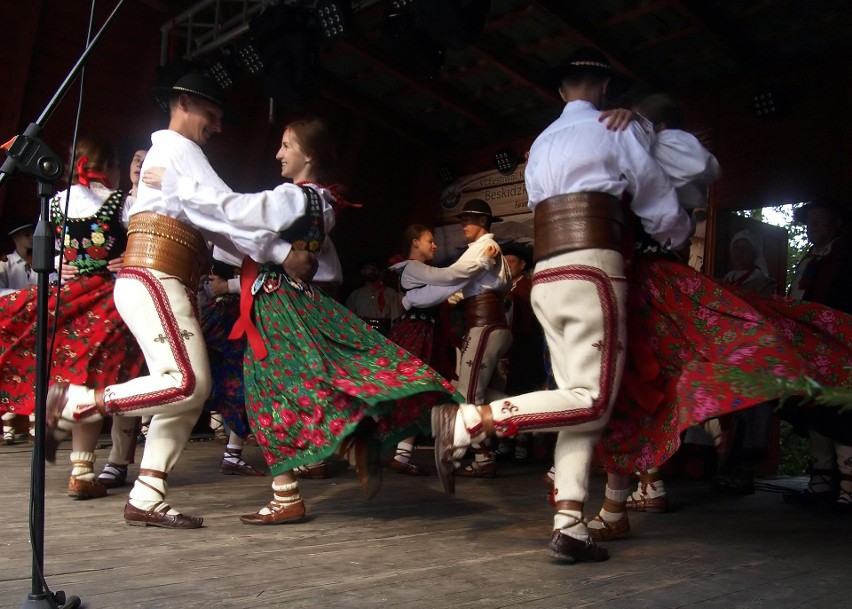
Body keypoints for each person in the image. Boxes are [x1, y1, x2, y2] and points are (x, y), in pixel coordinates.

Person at [430, 47, 693, 563]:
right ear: (606, 88)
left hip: (547, 275)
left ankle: (569, 522)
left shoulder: (542, 141)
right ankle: (470, 421)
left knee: (578, 400)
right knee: (592, 399)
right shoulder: (617, 127)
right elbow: (659, 201)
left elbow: (536, 203)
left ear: (559, 91)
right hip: (593, 267)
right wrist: (675, 235)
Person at [145, 116, 459, 524]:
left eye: (286, 145)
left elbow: (242, 211)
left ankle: (426, 417)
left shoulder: (295, 199)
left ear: (307, 155)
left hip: (279, 306)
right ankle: (333, 461)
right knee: (319, 379)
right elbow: (251, 238)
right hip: (285, 301)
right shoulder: (317, 201)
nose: (279, 153)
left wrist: (177, 185)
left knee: (276, 393)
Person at [43, 73, 321, 528]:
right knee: (187, 382)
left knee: (186, 394)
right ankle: (77, 403)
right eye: (213, 114)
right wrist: (286, 239)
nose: (218, 125)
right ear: (185, 102)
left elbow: (214, 228)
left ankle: (148, 494)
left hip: (160, 277)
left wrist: (271, 253)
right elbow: (224, 208)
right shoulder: (179, 149)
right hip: (156, 274)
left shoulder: (173, 152)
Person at [0, 137, 146, 497]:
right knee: (96, 380)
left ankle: (66, 434)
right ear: (111, 167)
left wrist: (59, 266)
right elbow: (144, 244)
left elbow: (44, 254)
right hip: (108, 298)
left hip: (66, 296)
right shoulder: (123, 202)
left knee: (71, 371)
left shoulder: (55, 202)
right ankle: (82, 469)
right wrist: (125, 259)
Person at [402, 199, 512, 479]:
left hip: (485, 324)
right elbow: (459, 288)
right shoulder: (479, 249)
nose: (463, 224)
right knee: (483, 394)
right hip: (483, 322)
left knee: (468, 393)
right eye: (462, 219)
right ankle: (521, 419)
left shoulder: (486, 247)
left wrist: (413, 290)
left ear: (484, 223)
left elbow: (456, 276)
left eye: (470, 219)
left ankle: (480, 455)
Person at [386, 224, 482, 475]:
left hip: (422, 333)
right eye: (429, 240)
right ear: (415, 242)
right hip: (418, 334)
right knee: (422, 391)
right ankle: (449, 449)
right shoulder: (413, 267)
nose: (435, 245)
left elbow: (436, 291)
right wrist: (478, 263)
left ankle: (404, 454)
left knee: (424, 393)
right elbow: (447, 279)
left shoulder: (414, 271)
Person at [781, 196, 852, 508]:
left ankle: (848, 489)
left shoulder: (846, 256)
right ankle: (820, 483)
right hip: (806, 349)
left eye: (819, 220)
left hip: (839, 347)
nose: (812, 226)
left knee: (841, 413)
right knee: (815, 413)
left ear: (837, 222)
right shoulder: (811, 259)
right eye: (809, 221)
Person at [199, 251, 264, 477]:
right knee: (228, 381)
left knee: (243, 382)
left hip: (240, 316)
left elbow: (267, 274)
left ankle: (232, 453)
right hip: (223, 317)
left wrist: (231, 285)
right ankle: (231, 453)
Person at [345, 261, 402, 334]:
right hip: (362, 335)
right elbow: (349, 319)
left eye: (374, 268)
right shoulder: (355, 295)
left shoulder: (391, 293)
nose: (372, 271)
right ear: (363, 271)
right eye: (368, 268)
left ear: (379, 272)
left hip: (385, 335)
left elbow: (396, 319)